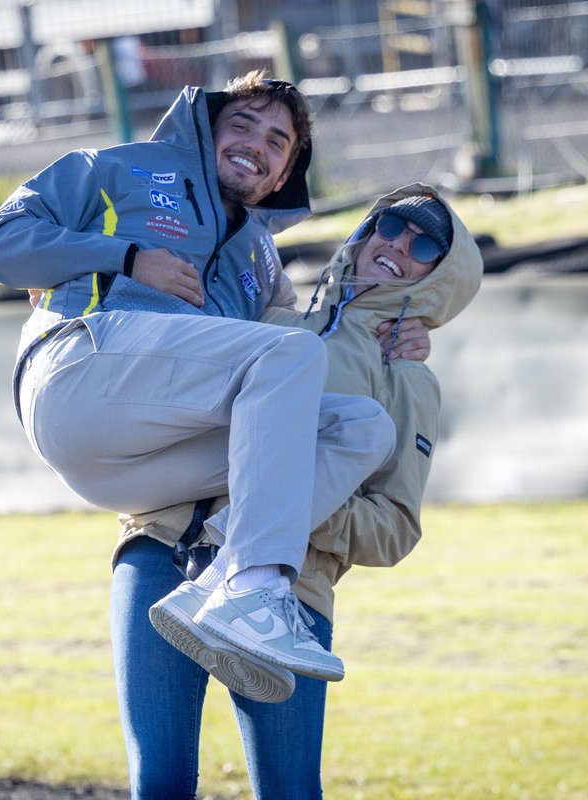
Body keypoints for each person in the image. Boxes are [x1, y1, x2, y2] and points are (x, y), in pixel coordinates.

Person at [0, 73, 425, 703]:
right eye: (241, 124)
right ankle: (257, 586)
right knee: (287, 357)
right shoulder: (118, 168)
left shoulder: (262, 259)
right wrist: (126, 258)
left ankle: (216, 580)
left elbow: (299, 353)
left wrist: (392, 337)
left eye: (277, 141)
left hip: (129, 468)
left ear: (281, 176)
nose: (256, 144)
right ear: (207, 131)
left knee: (360, 429)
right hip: (79, 371)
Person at [111, 184, 484, 798]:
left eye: (425, 247)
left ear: (442, 277)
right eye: (392, 226)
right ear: (367, 230)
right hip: (159, 548)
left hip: (290, 593)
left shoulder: (409, 375)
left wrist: (281, 508)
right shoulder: (267, 317)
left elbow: (396, 528)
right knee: (159, 781)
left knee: (288, 791)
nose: (399, 245)